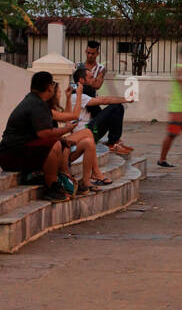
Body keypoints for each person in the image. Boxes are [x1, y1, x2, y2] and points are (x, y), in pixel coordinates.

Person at [0, 71, 74, 202]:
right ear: (49, 87)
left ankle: (60, 180)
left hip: (13, 153)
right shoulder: (37, 104)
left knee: (59, 143)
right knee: (54, 144)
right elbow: (44, 133)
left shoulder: (33, 100)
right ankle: (51, 187)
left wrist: (61, 137)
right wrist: (65, 130)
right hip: (11, 154)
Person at [72, 40, 133, 156]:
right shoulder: (78, 67)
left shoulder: (100, 68)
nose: (90, 55)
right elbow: (94, 85)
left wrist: (89, 83)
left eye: (92, 53)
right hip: (87, 103)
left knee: (114, 110)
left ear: (97, 54)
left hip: (92, 103)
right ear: (86, 51)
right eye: (88, 53)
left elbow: (97, 85)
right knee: (114, 107)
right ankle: (113, 142)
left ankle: (114, 141)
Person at [50, 79, 110, 194]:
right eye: (58, 92)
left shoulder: (53, 108)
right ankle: (91, 173)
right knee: (86, 133)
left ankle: (86, 181)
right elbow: (74, 115)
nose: (59, 94)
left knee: (89, 142)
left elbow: (68, 118)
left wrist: (68, 98)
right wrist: (78, 95)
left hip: (59, 145)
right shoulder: (47, 109)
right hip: (54, 148)